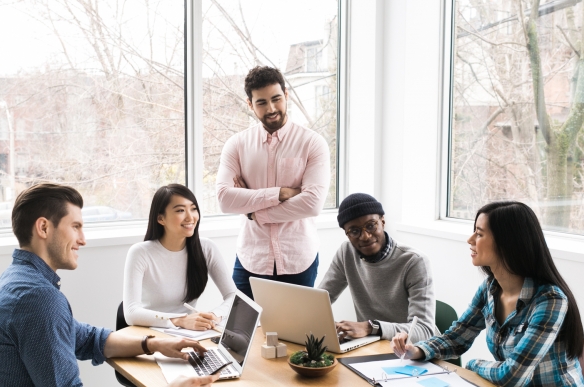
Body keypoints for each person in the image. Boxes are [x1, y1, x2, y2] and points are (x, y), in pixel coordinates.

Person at [0, 183, 217, 387]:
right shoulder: (38, 298)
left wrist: (153, 344)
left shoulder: (17, 279)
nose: (83, 239)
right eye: (76, 227)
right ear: (44, 228)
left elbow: (85, 338)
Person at [392, 201, 584, 387]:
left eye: (479, 233)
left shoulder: (550, 301)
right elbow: (457, 337)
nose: (470, 240)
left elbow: (512, 377)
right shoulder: (490, 289)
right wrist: (417, 350)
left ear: (507, 242)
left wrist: (474, 364)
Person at [216, 65, 330, 299]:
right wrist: (280, 193)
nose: (271, 108)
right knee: (242, 332)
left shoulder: (313, 143)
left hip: (298, 259)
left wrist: (255, 213)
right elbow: (225, 199)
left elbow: (312, 204)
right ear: (250, 104)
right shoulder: (236, 145)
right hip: (251, 258)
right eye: (261, 102)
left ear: (286, 95)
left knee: (295, 333)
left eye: (276, 99)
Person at [318, 193, 439, 342]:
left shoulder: (414, 262)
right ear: (347, 234)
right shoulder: (346, 253)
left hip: (414, 352)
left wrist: (370, 327)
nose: (365, 236)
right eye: (355, 231)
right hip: (371, 347)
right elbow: (319, 301)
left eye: (370, 226)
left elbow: (424, 331)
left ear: (383, 221)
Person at [123, 184, 235, 330]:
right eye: (180, 210)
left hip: (189, 333)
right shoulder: (140, 252)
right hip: (150, 332)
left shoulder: (206, 248)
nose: (190, 217)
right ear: (160, 218)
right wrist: (181, 320)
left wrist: (215, 315)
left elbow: (233, 296)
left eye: (193, 209)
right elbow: (131, 313)